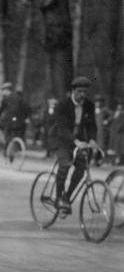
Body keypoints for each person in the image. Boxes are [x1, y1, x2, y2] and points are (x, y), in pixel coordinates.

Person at [48, 76, 97, 213]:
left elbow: (92, 125)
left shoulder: (89, 105)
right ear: (73, 90)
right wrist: (76, 142)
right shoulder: (62, 105)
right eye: (80, 91)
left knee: (82, 168)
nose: (82, 95)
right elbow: (62, 128)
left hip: (78, 142)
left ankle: (67, 198)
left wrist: (92, 140)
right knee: (64, 165)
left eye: (85, 92)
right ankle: (58, 198)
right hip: (61, 140)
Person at [0, 82, 30, 156]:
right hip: (19, 121)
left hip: (9, 121)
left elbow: (1, 110)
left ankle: (6, 149)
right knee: (16, 134)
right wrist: (27, 117)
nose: (3, 92)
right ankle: (17, 147)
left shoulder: (5, 99)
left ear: (7, 90)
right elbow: (27, 108)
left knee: (4, 131)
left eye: (3, 90)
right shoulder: (19, 97)